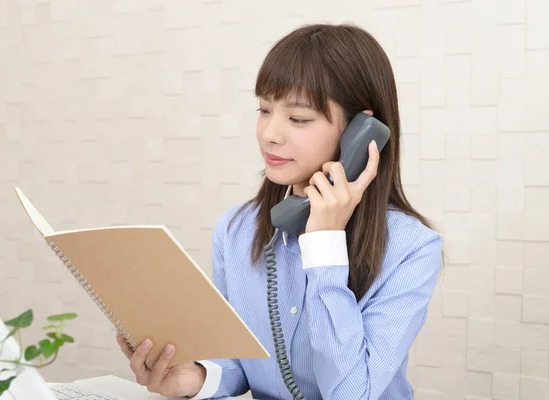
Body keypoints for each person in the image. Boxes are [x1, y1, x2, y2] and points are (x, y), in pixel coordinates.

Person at [116, 23, 443, 400]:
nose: (270, 133)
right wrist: (193, 378)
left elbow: (354, 392)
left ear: (361, 130)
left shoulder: (412, 248)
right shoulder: (236, 230)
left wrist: (324, 245)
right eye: (264, 110)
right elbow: (241, 362)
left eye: (298, 118)